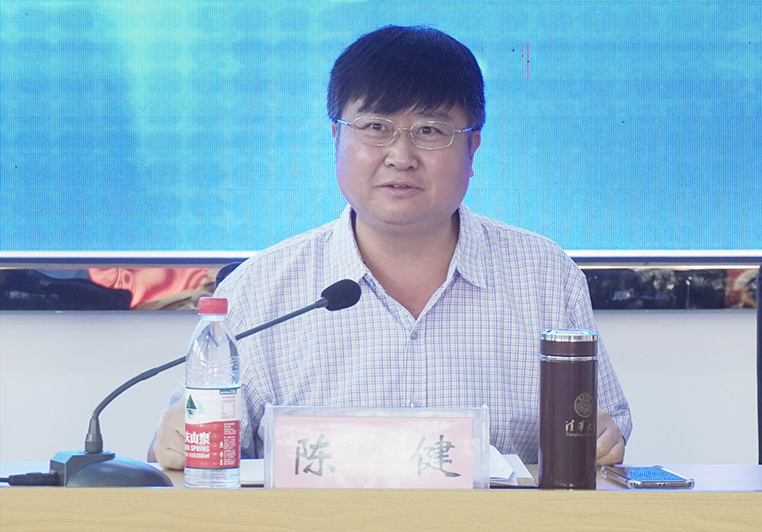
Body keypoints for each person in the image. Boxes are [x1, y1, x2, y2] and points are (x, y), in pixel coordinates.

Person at [149, 25, 632, 469]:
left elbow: (601, 434)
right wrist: (170, 447)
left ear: (473, 148)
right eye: (376, 127)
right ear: (336, 137)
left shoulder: (545, 276)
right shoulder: (259, 290)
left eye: (430, 131)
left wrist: (602, 441)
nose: (401, 156)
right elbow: (185, 457)